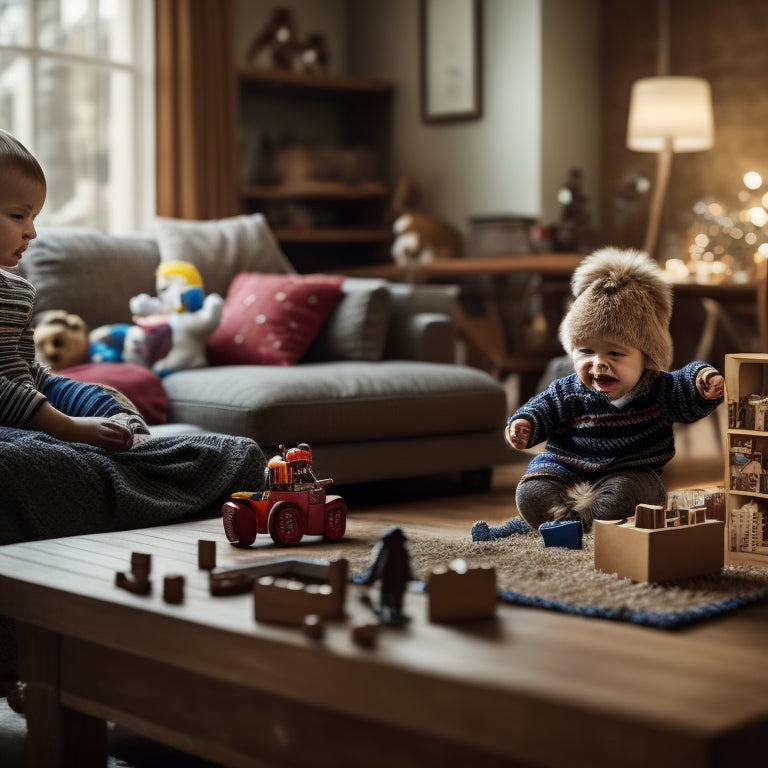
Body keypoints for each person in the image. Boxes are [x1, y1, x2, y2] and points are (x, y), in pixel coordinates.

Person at [472, 247, 725, 540]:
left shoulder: (659, 388)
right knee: (530, 491)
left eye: (615, 353)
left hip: (627, 472)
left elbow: (685, 384)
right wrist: (524, 424)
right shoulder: (568, 390)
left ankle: (573, 524)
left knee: (633, 495)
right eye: (586, 351)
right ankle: (561, 517)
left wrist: (702, 382)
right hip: (564, 469)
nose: (598, 363)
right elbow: (542, 408)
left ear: (647, 358)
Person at [0, 128, 149, 449]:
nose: (32, 233)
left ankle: (137, 450)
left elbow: (25, 369)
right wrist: (65, 426)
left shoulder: (19, 292)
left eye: (34, 217)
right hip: (11, 426)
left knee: (104, 396)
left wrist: (70, 399)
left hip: (29, 408)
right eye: (18, 216)